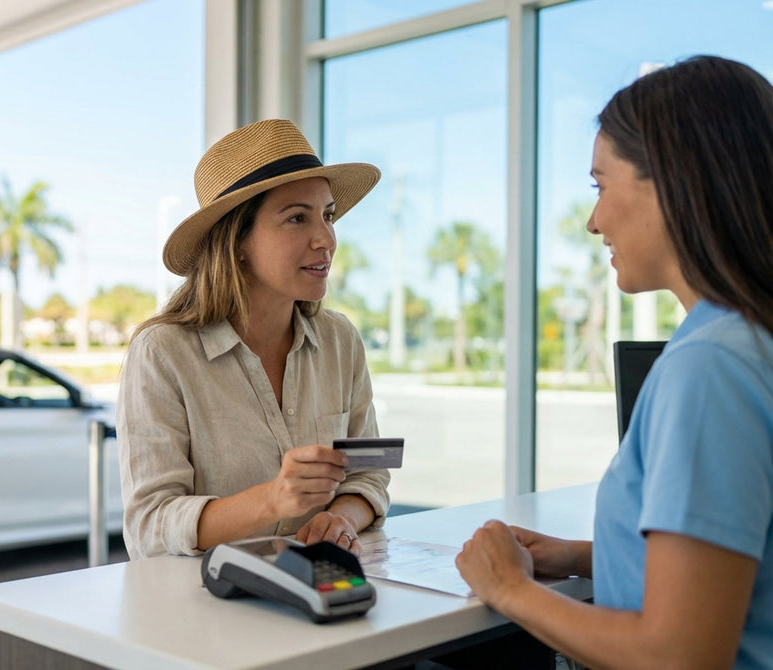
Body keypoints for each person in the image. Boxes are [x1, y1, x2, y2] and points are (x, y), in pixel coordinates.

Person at [455, 55, 773, 670]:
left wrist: (508, 589)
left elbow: (679, 655)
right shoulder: (746, 339)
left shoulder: (709, 367)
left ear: (677, 182)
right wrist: (579, 556)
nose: (593, 219)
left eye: (601, 186)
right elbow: (739, 554)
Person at [117, 119, 391, 560]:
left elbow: (368, 476)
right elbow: (151, 522)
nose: (325, 239)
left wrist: (341, 517)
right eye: (297, 218)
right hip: (206, 609)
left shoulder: (341, 341)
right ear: (237, 240)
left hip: (324, 589)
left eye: (328, 215)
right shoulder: (162, 354)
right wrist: (274, 499)